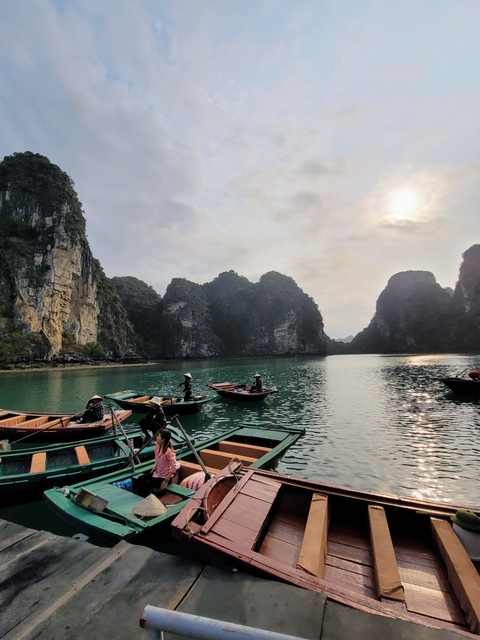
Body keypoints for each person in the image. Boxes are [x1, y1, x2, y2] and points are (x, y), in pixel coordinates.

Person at [133, 429, 180, 497]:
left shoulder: (168, 452)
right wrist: (153, 470)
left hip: (164, 477)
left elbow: (173, 467)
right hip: (157, 473)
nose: (157, 438)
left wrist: (166, 481)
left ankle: (145, 498)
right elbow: (157, 461)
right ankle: (138, 495)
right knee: (140, 478)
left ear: (163, 439)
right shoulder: (157, 448)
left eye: (158, 436)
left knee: (147, 483)